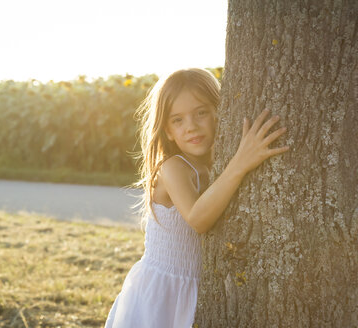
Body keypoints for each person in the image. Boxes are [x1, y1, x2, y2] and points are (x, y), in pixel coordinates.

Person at [104, 68, 289, 327]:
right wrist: (240, 162)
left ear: (219, 113)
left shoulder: (214, 166)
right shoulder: (172, 168)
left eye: (201, 113)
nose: (191, 126)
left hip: (195, 289)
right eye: (177, 120)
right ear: (167, 130)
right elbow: (197, 219)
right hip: (163, 292)